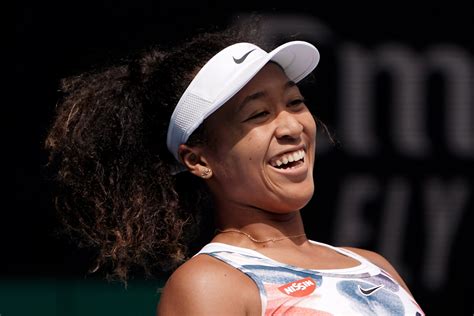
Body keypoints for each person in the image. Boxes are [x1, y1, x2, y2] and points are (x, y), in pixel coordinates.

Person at [45, 17, 424, 315]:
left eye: (294, 103)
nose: (292, 126)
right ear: (199, 160)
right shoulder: (210, 284)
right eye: (258, 114)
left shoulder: (372, 265)